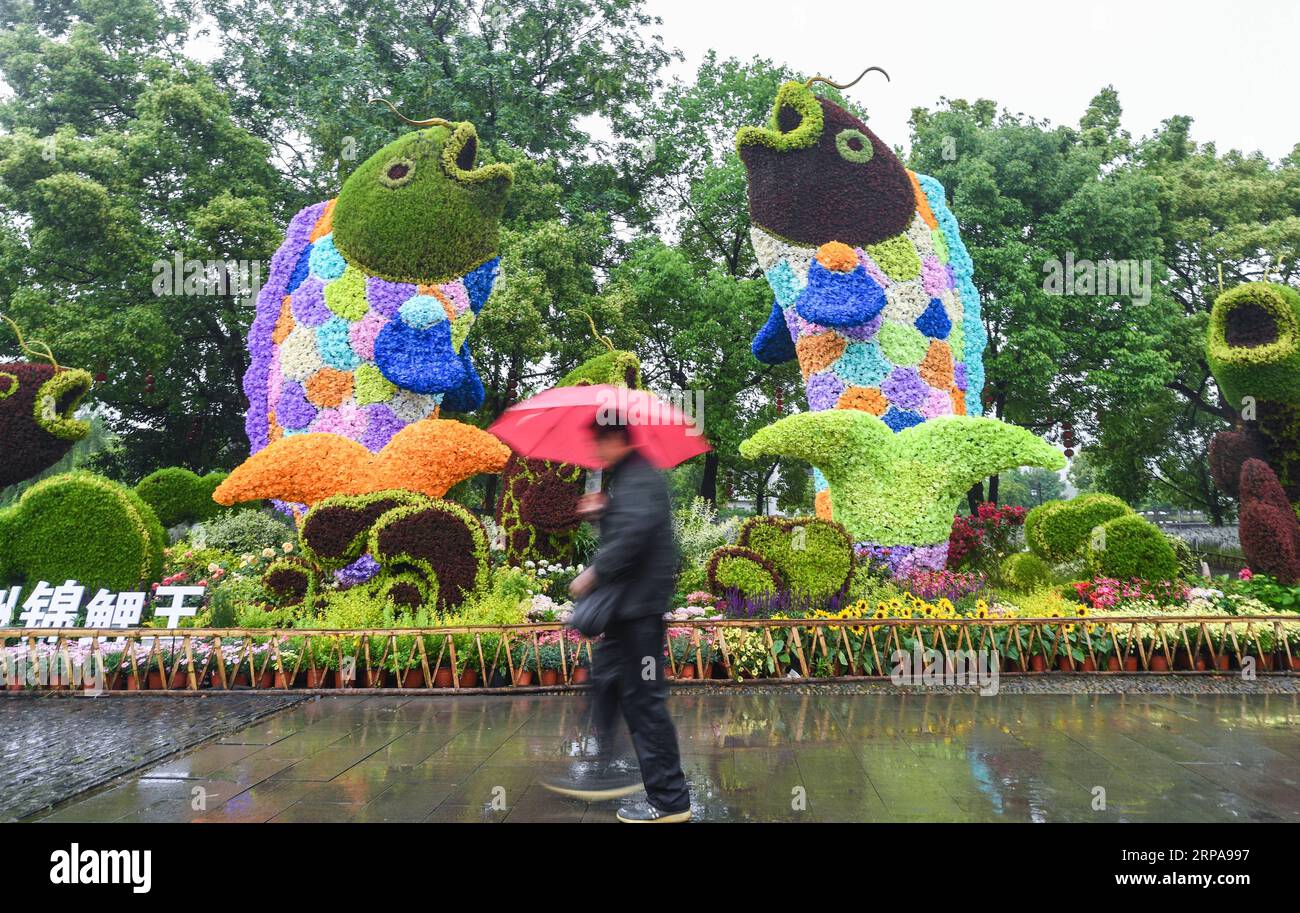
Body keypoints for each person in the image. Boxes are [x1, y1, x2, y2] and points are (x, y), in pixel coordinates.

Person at [542, 416, 691, 823]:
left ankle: (670, 801)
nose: (595, 453)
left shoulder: (641, 477)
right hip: (624, 611)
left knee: (645, 703)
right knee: (605, 683)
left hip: (638, 611)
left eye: (599, 444)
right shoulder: (626, 478)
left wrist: (593, 571)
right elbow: (626, 527)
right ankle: (606, 773)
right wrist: (602, 512)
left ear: (616, 440)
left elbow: (635, 536)